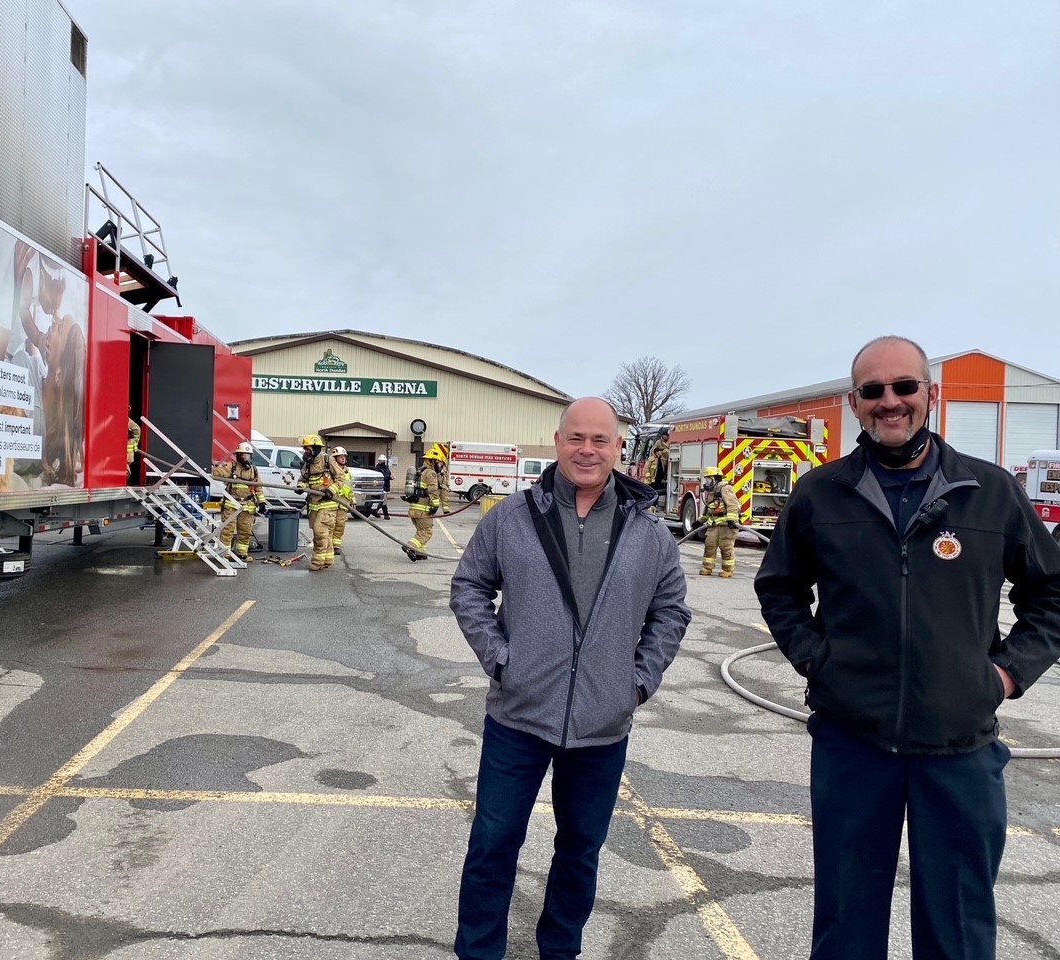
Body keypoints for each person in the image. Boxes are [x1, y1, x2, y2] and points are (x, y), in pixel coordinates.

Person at [754, 335, 1060, 960]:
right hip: (852, 746)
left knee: (959, 933)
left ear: (931, 394)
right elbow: (779, 588)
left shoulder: (992, 492)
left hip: (960, 750)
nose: (889, 402)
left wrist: (1002, 676)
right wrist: (818, 662)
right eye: (873, 391)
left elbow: (1050, 596)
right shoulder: (820, 495)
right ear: (855, 402)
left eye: (904, 387)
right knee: (845, 927)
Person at [449, 397, 691, 960]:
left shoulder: (647, 532)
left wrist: (636, 683)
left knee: (581, 849)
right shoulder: (512, 517)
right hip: (518, 717)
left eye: (600, 440)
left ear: (617, 449)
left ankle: (560, 950)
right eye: (576, 438)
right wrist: (502, 661)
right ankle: (479, 951)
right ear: (558, 443)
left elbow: (671, 611)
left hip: (602, 726)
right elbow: (469, 588)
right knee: (493, 843)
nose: (587, 450)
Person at [211, 441, 267, 562]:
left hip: (247, 506)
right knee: (228, 531)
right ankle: (224, 555)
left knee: (245, 531)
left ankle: (242, 553)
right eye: (242, 455)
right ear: (238, 456)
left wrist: (262, 502)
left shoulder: (254, 471)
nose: (245, 458)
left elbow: (258, 488)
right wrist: (211, 466)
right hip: (231, 504)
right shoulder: (232, 467)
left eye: (247, 455)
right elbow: (217, 473)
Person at [296, 434, 344, 572]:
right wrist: (301, 487)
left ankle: (317, 562)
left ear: (316, 448)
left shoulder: (327, 460)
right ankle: (328, 560)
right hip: (314, 505)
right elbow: (303, 480)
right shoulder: (308, 464)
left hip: (328, 505)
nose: (305, 452)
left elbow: (341, 478)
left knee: (320, 534)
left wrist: (331, 490)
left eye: (307, 449)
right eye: (305, 449)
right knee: (325, 535)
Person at [404, 445, 445, 561]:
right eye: (439, 463)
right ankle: (410, 547)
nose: (440, 465)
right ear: (432, 461)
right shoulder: (431, 473)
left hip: (414, 509)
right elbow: (433, 490)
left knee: (420, 531)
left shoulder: (420, 471)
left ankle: (420, 552)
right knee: (427, 531)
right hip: (423, 510)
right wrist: (435, 505)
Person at [698, 465, 741, 577]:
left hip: (727, 525)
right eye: (706, 480)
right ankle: (707, 568)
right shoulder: (711, 492)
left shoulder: (725, 488)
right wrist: (700, 521)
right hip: (714, 525)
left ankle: (727, 570)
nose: (706, 482)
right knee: (709, 545)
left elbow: (732, 505)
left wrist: (731, 520)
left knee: (726, 547)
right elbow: (708, 510)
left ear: (715, 479)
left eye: (708, 479)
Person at [329, 445, 354, 555]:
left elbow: (350, 487)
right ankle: (327, 545)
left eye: (344, 457)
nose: (343, 459)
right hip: (332, 501)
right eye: (340, 457)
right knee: (330, 524)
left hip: (343, 503)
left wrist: (353, 499)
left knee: (340, 525)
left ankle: (336, 546)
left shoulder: (347, 471)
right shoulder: (330, 471)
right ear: (334, 459)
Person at [372, 454, 392, 519]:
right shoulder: (377, 468)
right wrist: (389, 477)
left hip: (386, 485)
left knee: (381, 500)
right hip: (380, 486)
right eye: (382, 460)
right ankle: (385, 514)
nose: (383, 462)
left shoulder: (386, 467)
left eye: (384, 460)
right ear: (379, 461)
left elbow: (389, 473)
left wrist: (390, 477)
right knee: (383, 500)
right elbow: (381, 477)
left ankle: (375, 511)